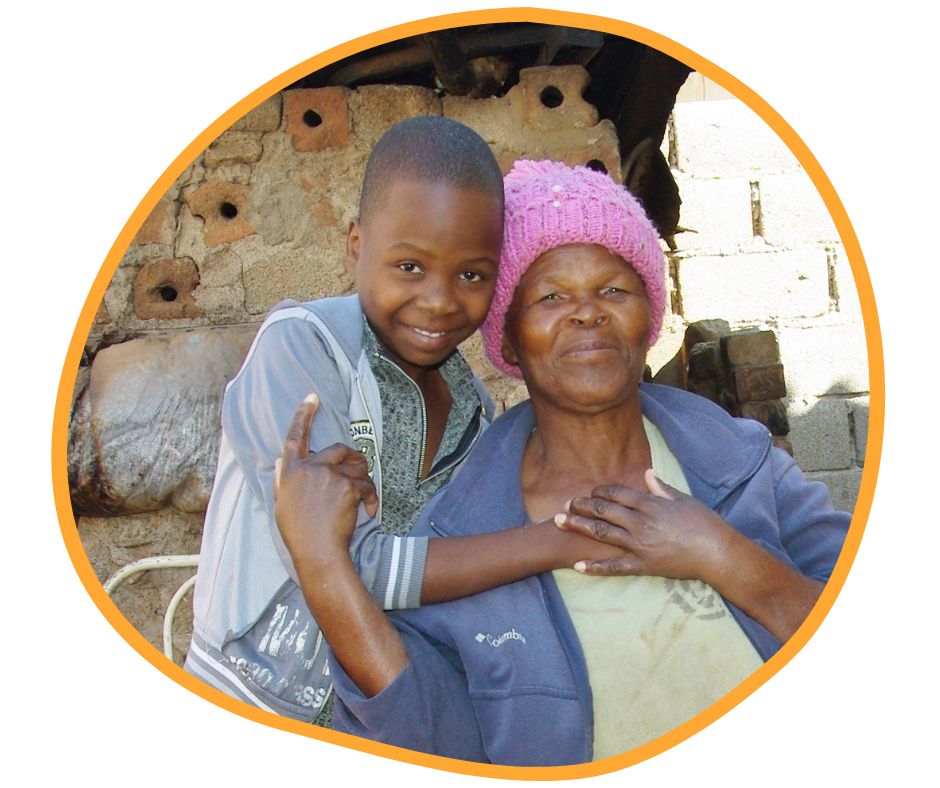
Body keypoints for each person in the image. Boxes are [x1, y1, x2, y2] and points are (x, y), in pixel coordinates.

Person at [273, 159, 851, 762]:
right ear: (510, 339)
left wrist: (722, 554)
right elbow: (421, 733)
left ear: (648, 315)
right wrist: (320, 561)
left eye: (613, 289)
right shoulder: (465, 535)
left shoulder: (744, 467)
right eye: (550, 295)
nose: (586, 312)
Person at [186, 123, 618, 726]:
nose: (440, 301)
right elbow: (349, 565)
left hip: (377, 709)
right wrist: (561, 537)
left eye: (472, 275)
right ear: (356, 246)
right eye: (410, 266)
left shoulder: (472, 410)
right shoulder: (301, 352)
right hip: (252, 692)